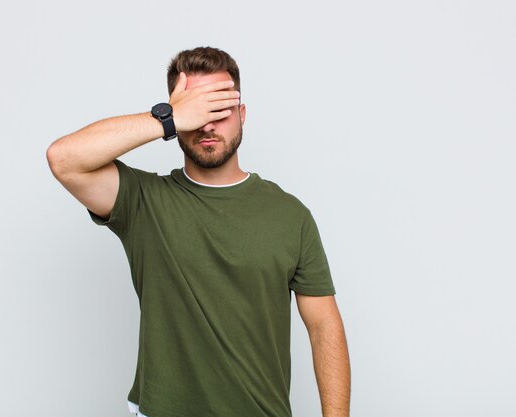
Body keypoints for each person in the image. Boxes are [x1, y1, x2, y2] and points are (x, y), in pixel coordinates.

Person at [46, 46, 351, 417]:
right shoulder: (144, 202)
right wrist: (167, 117)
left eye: (219, 110)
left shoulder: (290, 215)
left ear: (242, 115)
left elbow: (324, 326)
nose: (207, 125)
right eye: (197, 111)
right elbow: (64, 159)